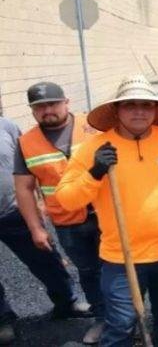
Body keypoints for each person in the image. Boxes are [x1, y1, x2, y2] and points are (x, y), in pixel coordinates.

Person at [56, 74, 158, 346]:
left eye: (146, 105)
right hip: (120, 256)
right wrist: (95, 172)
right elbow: (65, 200)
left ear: (156, 110)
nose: (139, 110)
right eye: (130, 104)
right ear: (116, 110)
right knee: (121, 324)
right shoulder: (93, 148)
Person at [13, 82, 104, 344]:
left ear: (66, 102)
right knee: (88, 271)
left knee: (118, 267)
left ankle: (126, 316)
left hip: (106, 214)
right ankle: (102, 317)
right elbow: (24, 189)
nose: (47, 110)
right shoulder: (27, 142)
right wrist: (36, 228)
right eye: (39, 107)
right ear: (32, 111)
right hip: (68, 221)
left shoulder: (93, 125)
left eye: (52, 104)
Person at [0, 116, 91, 345]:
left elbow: (27, 168)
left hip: (13, 210)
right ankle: (3, 318)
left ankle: (66, 302)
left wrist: (38, 203)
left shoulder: (7, 126)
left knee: (44, 256)